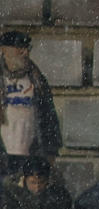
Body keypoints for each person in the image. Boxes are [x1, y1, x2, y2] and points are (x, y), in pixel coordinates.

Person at [2, 31, 62, 182]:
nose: (25, 52)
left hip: (31, 154)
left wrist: (51, 151)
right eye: (19, 48)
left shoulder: (37, 79)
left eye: (27, 48)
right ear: (3, 49)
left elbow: (49, 116)